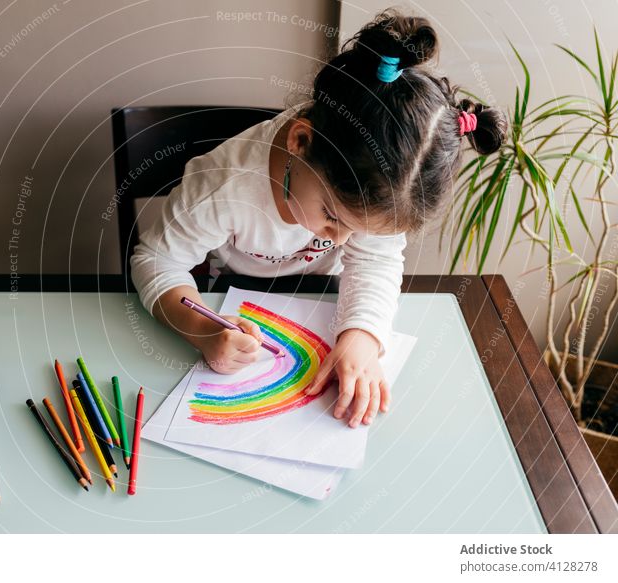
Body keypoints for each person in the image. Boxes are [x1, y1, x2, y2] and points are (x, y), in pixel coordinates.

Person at [130, 8, 508, 428]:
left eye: (358, 229)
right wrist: (199, 328)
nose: (343, 241)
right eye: (332, 216)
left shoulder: (377, 186)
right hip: (225, 294)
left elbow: (376, 261)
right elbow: (157, 260)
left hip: (321, 297)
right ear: (300, 141)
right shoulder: (225, 186)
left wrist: (362, 338)